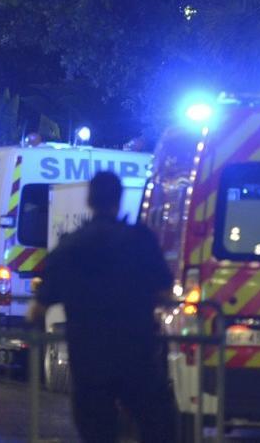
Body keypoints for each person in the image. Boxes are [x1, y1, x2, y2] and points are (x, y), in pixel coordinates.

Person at [29, 172, 177, 443]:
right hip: (136, 354)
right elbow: (166, 292)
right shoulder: (140, 240)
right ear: (119, 200)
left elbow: (37, 309)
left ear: (89, 200)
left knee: (97, 431)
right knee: (157, 425)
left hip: (89, 358)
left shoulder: (70, 247)